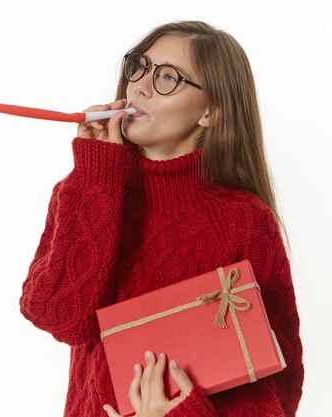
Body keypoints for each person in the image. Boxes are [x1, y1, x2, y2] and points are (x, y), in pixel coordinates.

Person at [20, 20, 304, 417]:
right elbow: (62, 318)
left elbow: (278, 389)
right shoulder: (82, 188)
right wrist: (97, 175)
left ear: (210, 112)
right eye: (140, 65)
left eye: (167, 77)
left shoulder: (244, 220)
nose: (140, 85)